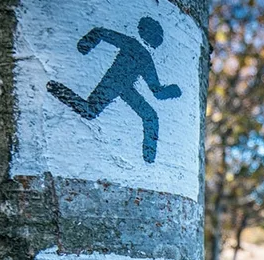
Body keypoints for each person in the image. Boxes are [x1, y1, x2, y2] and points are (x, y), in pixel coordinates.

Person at [45, 17, 183, 163]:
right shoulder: (134, 46)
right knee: (91, 111)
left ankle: (149, 158)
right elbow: (102, 33)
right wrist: (86, 43)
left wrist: (172, 91)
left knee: (150, 116)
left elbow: (156, 90)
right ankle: (57, 89)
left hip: (126, 87)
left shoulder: (145, 57)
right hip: (113, 83)